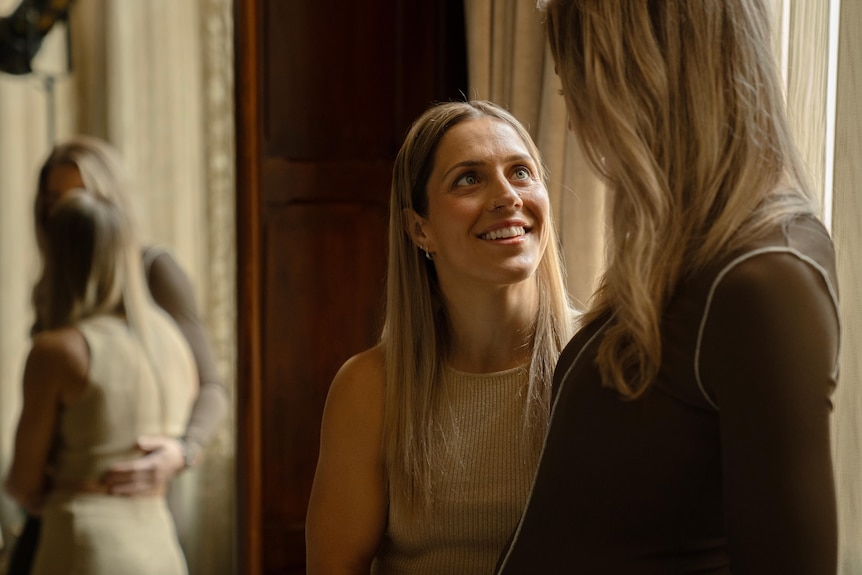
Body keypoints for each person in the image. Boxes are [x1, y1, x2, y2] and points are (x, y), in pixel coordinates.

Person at [496, 1, 841, 574]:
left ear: (641, 78)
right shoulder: (687, 253)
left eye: (575, 91)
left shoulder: (764, 279)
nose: (576, 124)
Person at [305, 100, 576, 574]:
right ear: (420, 229)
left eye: (521, 172)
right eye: (469, 178)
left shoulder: (601, 359)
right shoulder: (370, 388)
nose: (507, 196)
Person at [5, 135, 229, 573]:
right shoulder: (53, 288)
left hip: (138, 499)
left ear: (108, 202)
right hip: (65, 497)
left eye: (79, 196)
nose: (66, 212)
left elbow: (213, 386)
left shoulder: (154, 271)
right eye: (53, 200)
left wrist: (183, 451)